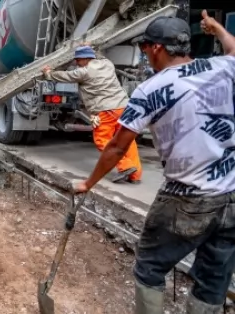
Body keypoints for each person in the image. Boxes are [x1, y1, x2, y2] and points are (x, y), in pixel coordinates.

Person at [73, 12, 235, 313]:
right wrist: (218, 29)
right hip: (231, 195)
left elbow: (117, 146)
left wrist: (88, 182)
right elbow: (233, 49)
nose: (144, 55)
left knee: (149, 266)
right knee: (213, 278)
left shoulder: (151, 89)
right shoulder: (223, 67)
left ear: (157, 48)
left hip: (187, 195)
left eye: (145, 48)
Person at [43, 46, 142, 184]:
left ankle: (125, 166)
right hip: (124, 107)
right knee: (127, 140)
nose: (76, 63)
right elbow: (100, 55)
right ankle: (135, 175)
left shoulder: (85, 72)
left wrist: (49, 73)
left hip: (106, 110)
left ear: (85, 59)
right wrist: (91, 46)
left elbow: (66, 76)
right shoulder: (108, 64)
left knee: (102, 139)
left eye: (78, 60)